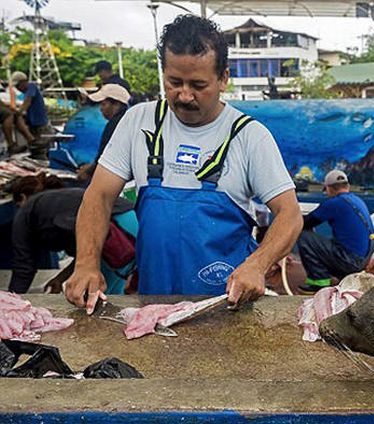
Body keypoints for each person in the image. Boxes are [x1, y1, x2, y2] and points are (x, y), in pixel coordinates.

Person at [64, 15, 302, 312]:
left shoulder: (249, 135)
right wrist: (86, 263)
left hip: (226, 305)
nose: (185, 95)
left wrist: (257, 264)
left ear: (223, 78)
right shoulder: (139, 121)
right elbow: (98, 195)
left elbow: (289, 213)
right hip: (153, 304)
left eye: (198, 85)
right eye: (174, 83)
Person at [8, 175, 136, 294]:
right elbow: (84, 256)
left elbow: (23, 267)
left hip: (115, 232)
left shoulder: (25, 212)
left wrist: (11, 302)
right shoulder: (56, 201)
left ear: (23, 197)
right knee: (124, 293)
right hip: (133, 220)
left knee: (100, 297)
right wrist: (61, 278)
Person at [297, 170, 374, 294]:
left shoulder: (334, 203)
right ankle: (343, 274)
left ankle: (318, 282)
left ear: (328, 188)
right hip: (363, 260)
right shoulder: (357, 200)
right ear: (348, 186)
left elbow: (306, 223)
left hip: (351, 261)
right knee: (331, 243)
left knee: (305, 237)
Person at [76, 84, 131, 183]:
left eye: (104, 104)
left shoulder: (115, 125)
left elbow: (104, 160)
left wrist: (87, 172)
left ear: (116, 104)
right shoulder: (127, 119)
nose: (101, 109)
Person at [10, 72, 51, 144]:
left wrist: (19, 111)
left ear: (24, 82)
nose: (17, 88)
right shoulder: (25, 93)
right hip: (32, 125)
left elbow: (27, 101)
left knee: (42, 146)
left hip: (41, 125)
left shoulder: (31, 87)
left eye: (18, 85)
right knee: (34, 146)